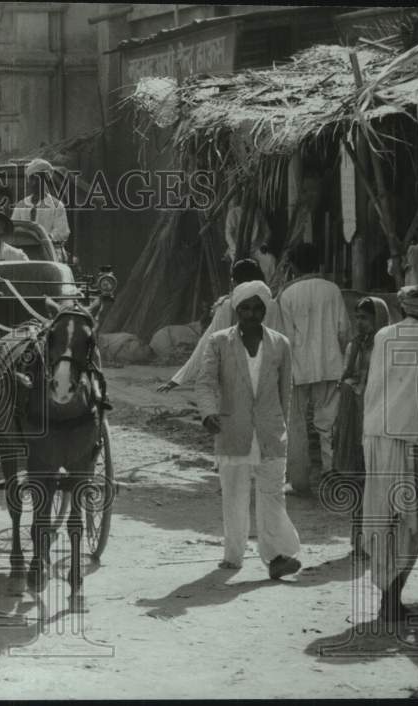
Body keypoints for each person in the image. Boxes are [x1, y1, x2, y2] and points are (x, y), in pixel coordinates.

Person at [196, 281, 302, 579]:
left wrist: (282, 428)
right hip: (232, 429)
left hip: (270, 431)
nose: (252, 314)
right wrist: (208, 414)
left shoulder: (280, 344)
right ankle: (233, 555)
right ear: (237, 310)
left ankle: (277, 556)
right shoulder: (218, 342)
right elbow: (205, 383)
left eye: (258, 309)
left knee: (272, 496)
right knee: (234, 495)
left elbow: (286, 391)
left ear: (265, 310)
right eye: (245, 308)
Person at [362, 284, 418, 622]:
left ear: (402, 310)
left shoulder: (383, 334)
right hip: (415, 437)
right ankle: (392, 600)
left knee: (386, 516)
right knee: (413, 521)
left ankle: (388, 596)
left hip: (378, 435)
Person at [277, 242, 351, 495]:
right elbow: (343, 331)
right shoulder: (332, 290)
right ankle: (330, 473)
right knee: (328, 423)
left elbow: (284, 337)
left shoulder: (287, 295)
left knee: (295, 424)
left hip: (298, 369)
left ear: (294, 265)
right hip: (331, 365)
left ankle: (299, 480)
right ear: (318, 264)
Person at [158, 258, 282, 393]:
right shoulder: (273, 305)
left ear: (235, 281)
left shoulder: (229, 306)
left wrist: (177, 379)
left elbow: (207, 343)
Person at [328, 296, 391, 555]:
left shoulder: (386, 346)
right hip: (354, 417)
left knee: (377, 480)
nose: (360, 322)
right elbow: (347, 376)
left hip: (377, 418)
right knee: (356, 477)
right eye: (358, 317)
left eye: (365, 317)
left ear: (378, 319)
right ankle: (359, 540)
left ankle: (377, 539)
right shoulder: (355, 345)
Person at [11, 159, 70, 261]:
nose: (34, 183)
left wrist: (42, 240)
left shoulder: (57, 206)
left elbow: (61, 233)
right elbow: (13, 230)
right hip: (24, 252)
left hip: (49, 253)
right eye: (32, 179)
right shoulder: (21, 205)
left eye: (39, 179)